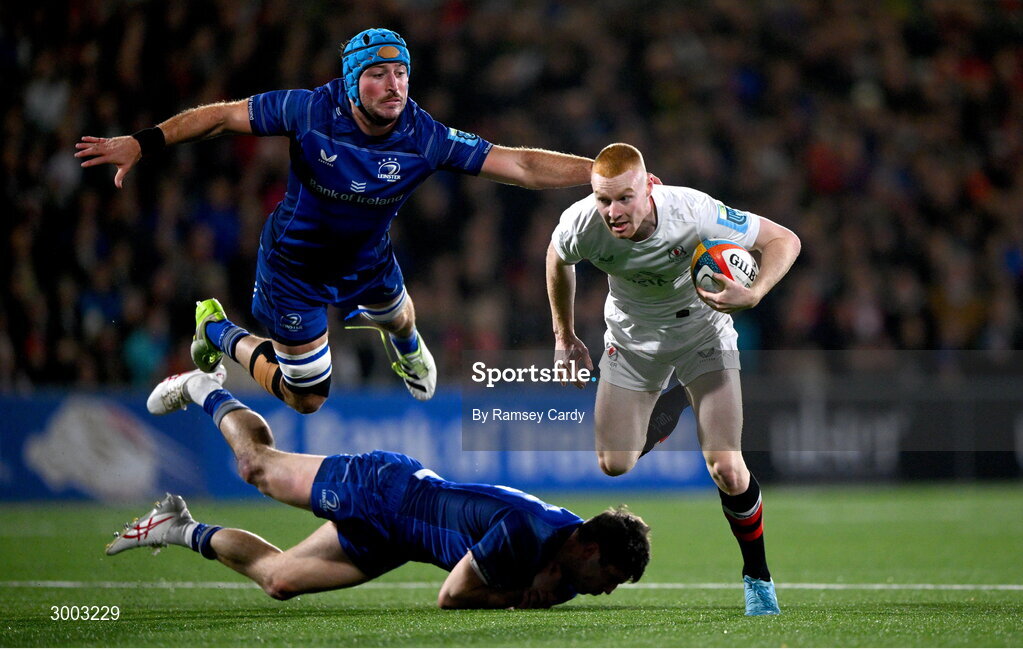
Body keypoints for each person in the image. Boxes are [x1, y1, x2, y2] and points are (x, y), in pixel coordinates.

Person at [76, 28, 594, 414]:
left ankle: (406, 347)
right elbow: (220, 116)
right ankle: (215, 328)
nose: (394, 87)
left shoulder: (424, 135)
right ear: (351, 83)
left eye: (401, 73)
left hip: (368, 260)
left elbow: (520, 164)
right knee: (307, 398)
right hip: (294, 269)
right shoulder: (308, 112)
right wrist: (142, 142)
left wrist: (598, 172)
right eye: (377, 75)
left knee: (402, 319)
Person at [108, 364, 651, 609]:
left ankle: (176, 527)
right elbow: (453, 596)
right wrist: (518, 599)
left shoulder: (573, 562)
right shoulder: (523, 533)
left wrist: (541, 592)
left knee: (278, 582)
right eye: (609, 576)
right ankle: (204, 388)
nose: (604, 589)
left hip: (395, 541)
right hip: (382, 490)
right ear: (588, 546)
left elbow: (556, 582)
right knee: (256, 468)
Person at [545, 143, 800, 616]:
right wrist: (565, 336)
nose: (613, 212)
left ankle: (758, 579)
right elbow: (557, 258)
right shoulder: (582, 223)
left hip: (703, 334)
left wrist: (756, 292)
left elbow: (784, 239)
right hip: (632, 339)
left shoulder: (694, 212)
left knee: (726, 467)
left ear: (651, 187)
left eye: (624, 198)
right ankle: (678, 401)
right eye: (604, 200)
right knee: (614, 464)